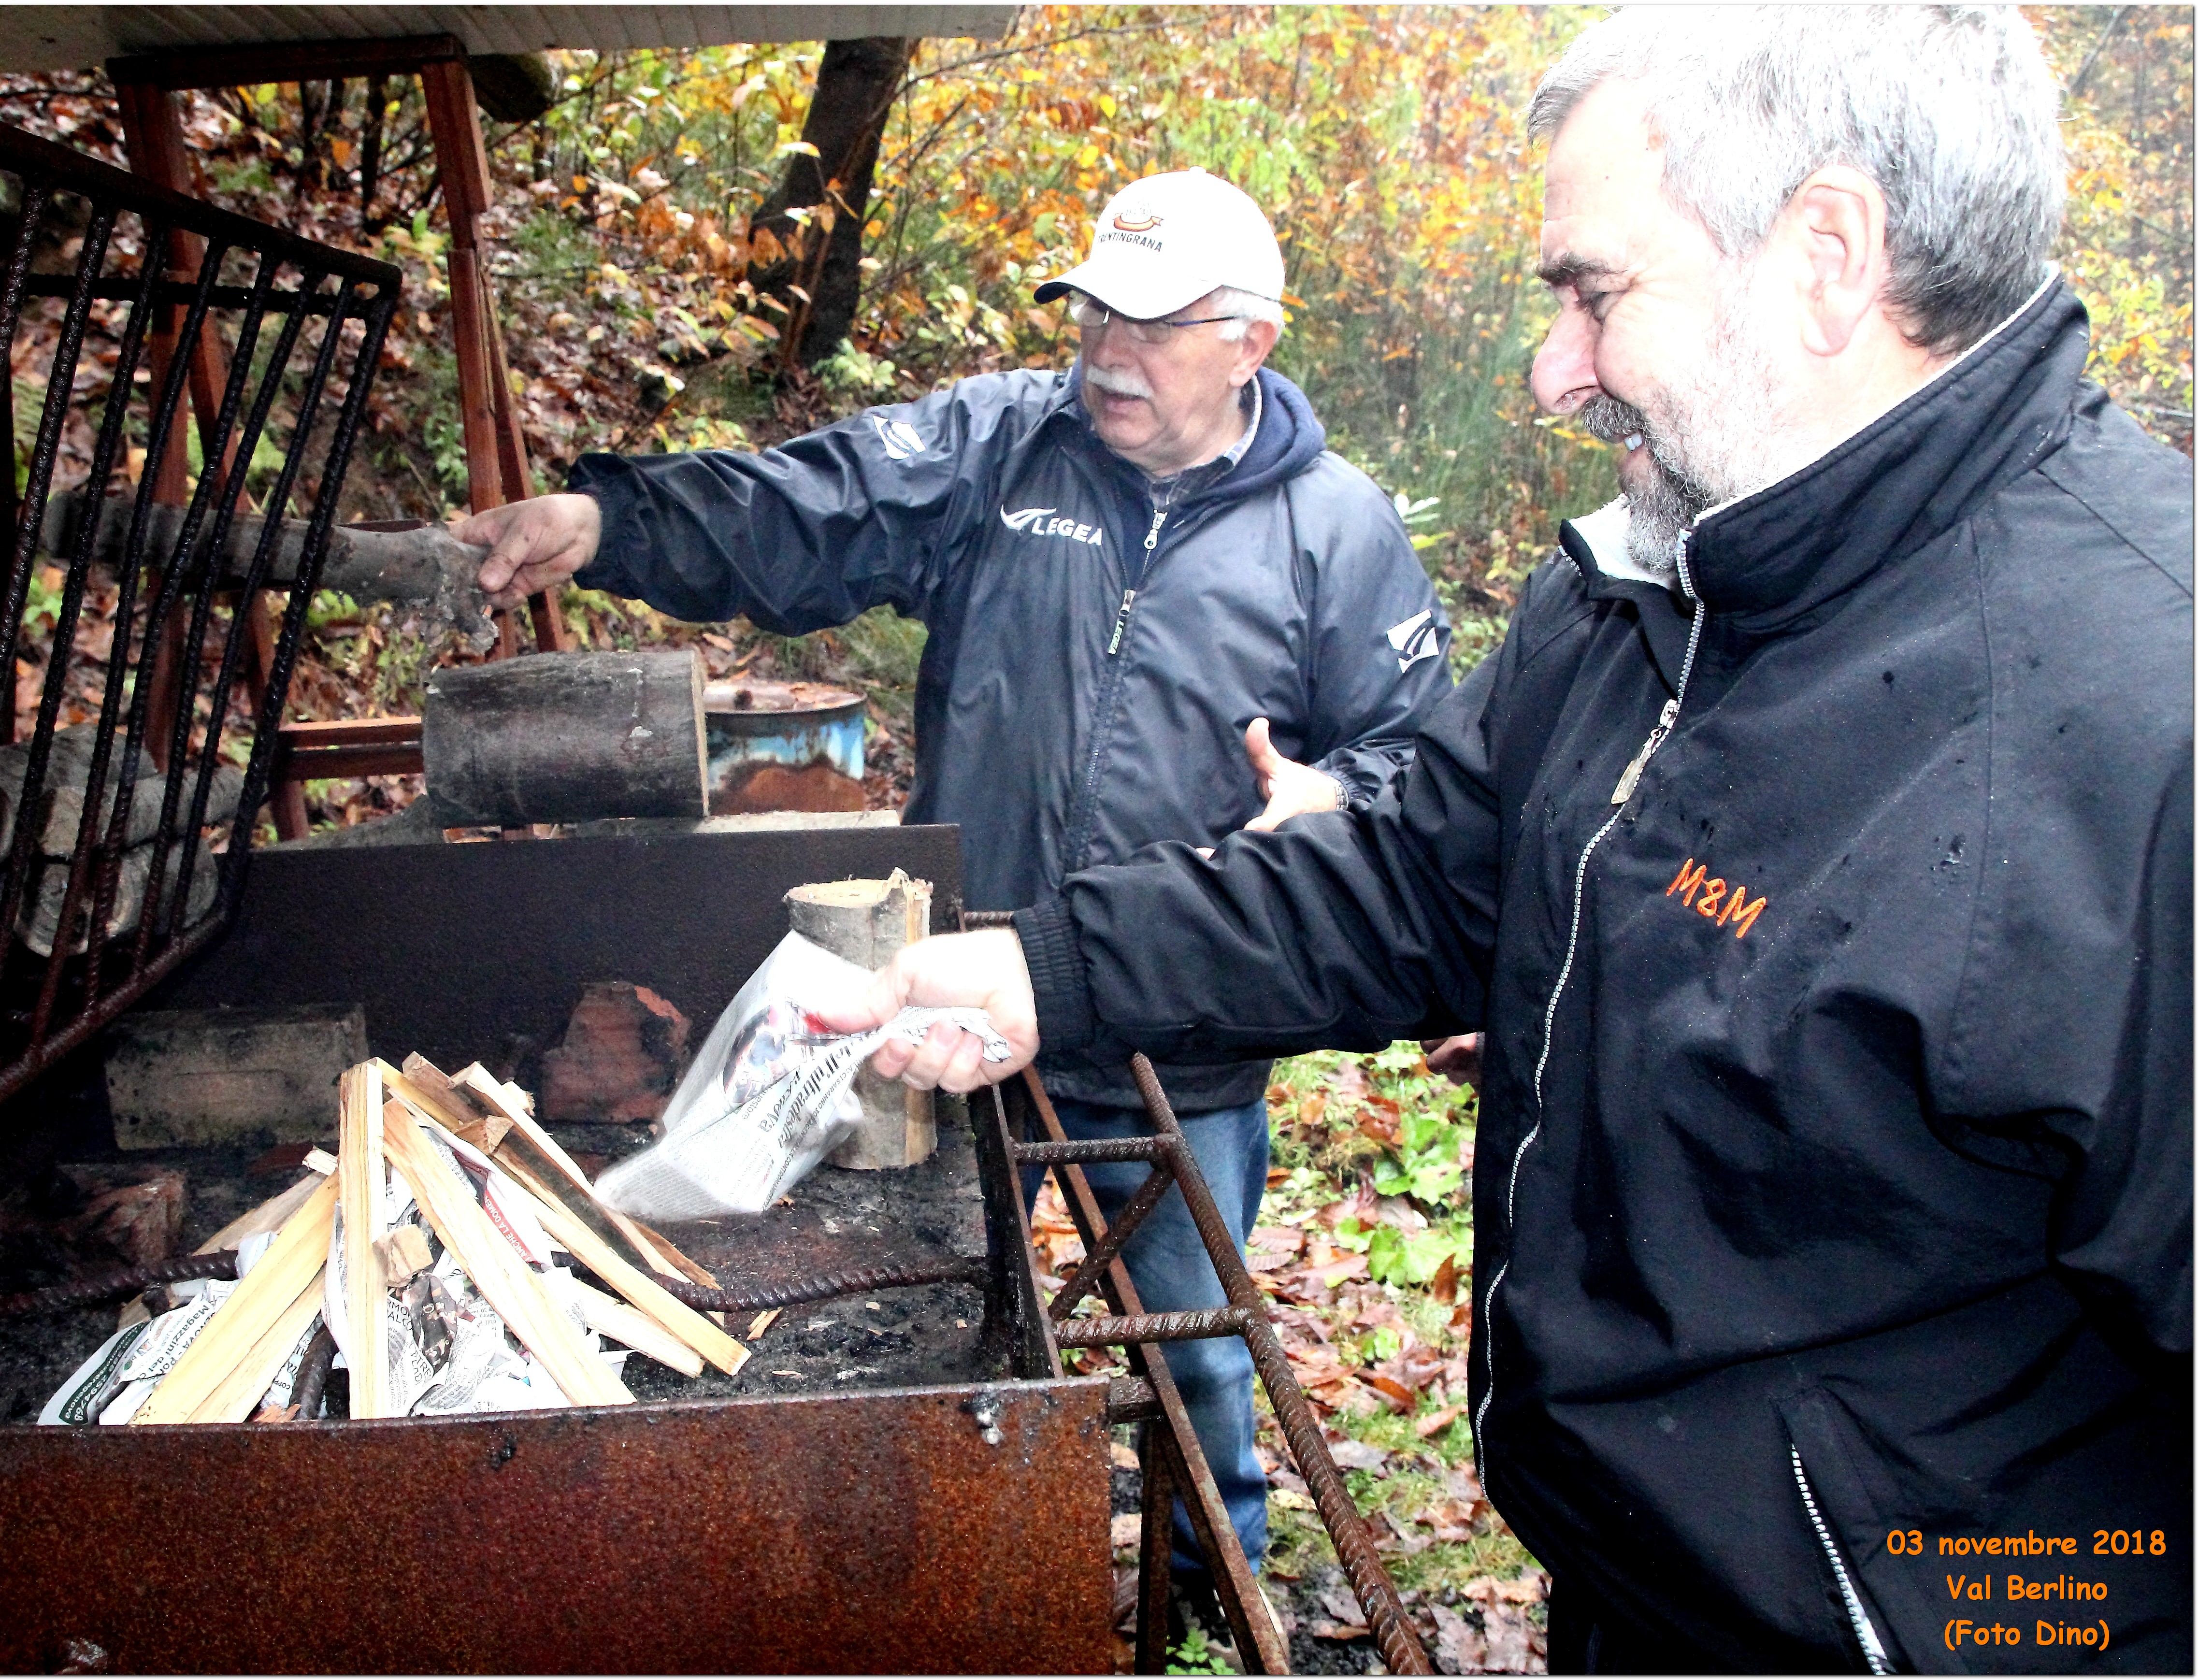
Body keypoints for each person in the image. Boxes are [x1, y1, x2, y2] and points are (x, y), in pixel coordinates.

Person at [832, 8, 2193, 1671]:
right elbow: (1418, 877)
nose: (1555, 371)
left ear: (1827, 256)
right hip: (1628, 1591)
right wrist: (1047, 970)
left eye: (1593, 295)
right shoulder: (1648, 587)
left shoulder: (2150, 725)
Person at [457, 168, 1455, 1617]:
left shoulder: (1339, 533)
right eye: (1094, 313)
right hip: (959, 996)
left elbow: (1418, 762)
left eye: (1153, 325)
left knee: (1197, 1356)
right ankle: (932, 1581)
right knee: (929, 1327)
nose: (1107, 352)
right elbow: (809, 506)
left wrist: (1338, 800)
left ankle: (1204, 1596)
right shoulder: (1005, 448)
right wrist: (611, 522)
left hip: (1181, 1025)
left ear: (1252, 340)